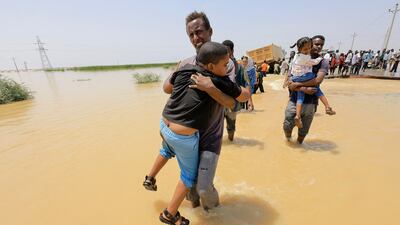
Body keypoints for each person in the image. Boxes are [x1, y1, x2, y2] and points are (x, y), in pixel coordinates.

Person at [144, 42, 248, 225]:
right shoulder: (217, 80)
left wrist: (178, 69)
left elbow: (168, 87)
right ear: (210, 67)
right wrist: (219, 87)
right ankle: (170, 214)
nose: (227, 68)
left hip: (164, 124)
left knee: (167, 150)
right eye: (225, 65)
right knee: (188, 177)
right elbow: (243, 96)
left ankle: (150, 177)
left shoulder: (184, 69)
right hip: (183, 136)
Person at [161, 12, 250, 215]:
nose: (195, 38)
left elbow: (236, 103)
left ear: (210, 31)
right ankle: (197, 215)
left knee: (203, 188)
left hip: (210, 137)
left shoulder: (224, 64)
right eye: (191, 34)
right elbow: (167, 89)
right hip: (187, 138)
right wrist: (179, 72)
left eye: (199, 32)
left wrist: (210, 87)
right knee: (191, 190)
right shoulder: (185, 63)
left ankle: (216, 216)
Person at [283, 35, 331, 144]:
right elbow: (290, 83)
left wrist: (298, 85)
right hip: (294, 100)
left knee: (303, 132)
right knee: (287, 125)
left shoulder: (323, 62)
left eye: (321, 45)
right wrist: (302, 88)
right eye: (316, 44)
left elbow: (317, 81)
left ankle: (298, 148)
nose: (318, 47)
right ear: (309, 44)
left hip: (311, 102)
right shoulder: (298, 58)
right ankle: (289, 142)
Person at [222, 40, 253, 141]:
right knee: (215, 128)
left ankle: (231, 141)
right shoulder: (217, 65)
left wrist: (250, 101)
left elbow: (246, 83)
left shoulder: (238, 67)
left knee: (231, 128)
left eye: (227, 51)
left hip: (232, 103)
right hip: (219, 102)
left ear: (232, 51)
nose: (225, 53)